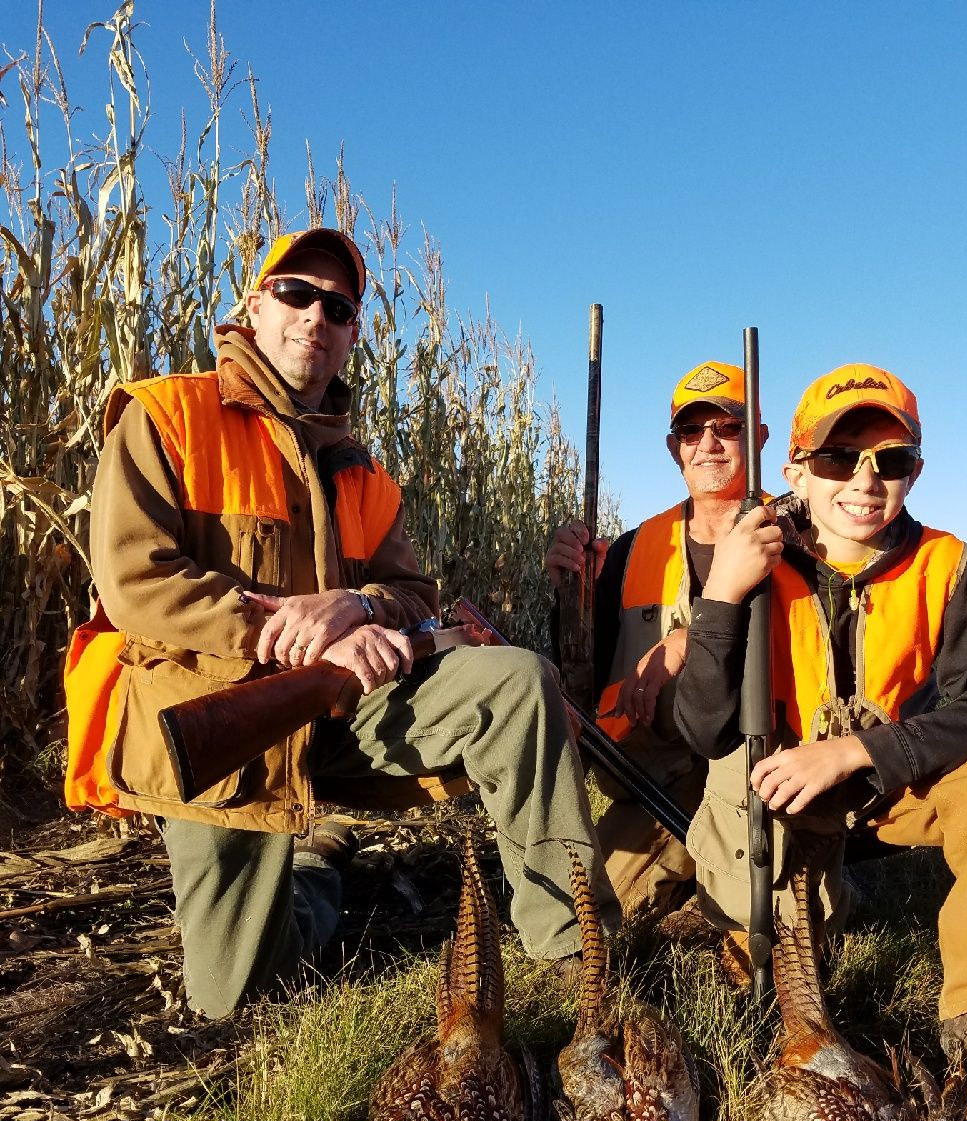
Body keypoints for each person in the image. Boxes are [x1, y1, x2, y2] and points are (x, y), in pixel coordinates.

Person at [64, 226, 619, 1018]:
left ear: (352, 334)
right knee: (238, 993)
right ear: (254, 306)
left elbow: (413, 588)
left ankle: (573, 948)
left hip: (338, 708)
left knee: (519, 682)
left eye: (339, 306)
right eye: (296, 294)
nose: (315, 317)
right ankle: (319, 868)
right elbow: (134, 582)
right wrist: (274, 626)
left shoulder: (362, 470)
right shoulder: (166, 418)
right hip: (219, 724)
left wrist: (360, 607)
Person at [674, 362, 967, 1121]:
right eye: (837, 460)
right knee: (778, 967)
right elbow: (701, 725)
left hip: (893, 780)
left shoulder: (947, 565)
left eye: (890, 461)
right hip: (775, 784)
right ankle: (760, 962)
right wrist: (721, 597)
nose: (865, 482)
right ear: (794, 468)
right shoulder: (747, 554)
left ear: (914, 473)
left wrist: (863, 750)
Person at [545, 361, 767, 952]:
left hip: (760, 781)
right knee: (589, 922)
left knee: (770, 936)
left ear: (761, 438)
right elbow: (586, 679)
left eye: (729, 427)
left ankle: (801, 871)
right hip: (659, 781)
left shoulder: (797, 532)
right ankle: (692, 873)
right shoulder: (633, 548)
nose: (709, 445)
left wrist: (689, 639)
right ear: (675, 449)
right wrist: (571, 596)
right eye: (692, 432)